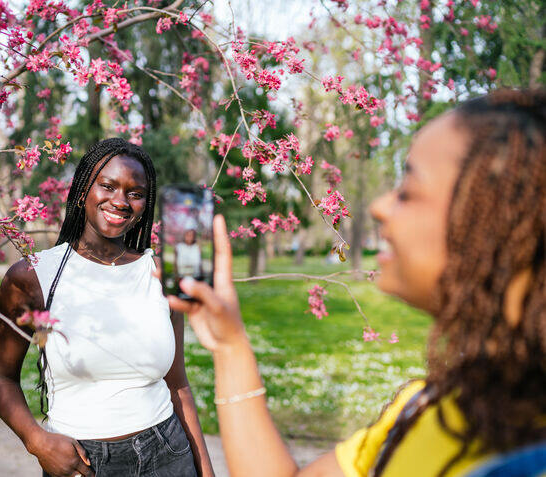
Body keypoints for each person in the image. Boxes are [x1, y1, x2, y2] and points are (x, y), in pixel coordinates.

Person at [169, 89, 545, 477]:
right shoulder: (425, 409)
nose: (380, 206)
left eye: (409, 191)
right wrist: (229, 345)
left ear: (499, 223)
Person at [0, 138, 214, 477]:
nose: (120, 201)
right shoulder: (34, 276)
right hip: (81, 461)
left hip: (167, 454)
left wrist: (206, 472)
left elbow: (177, 384)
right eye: (107, 186)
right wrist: (37, 441)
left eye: (135, 193)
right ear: (82, 191)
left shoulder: (158, 274)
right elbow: (1, 378)